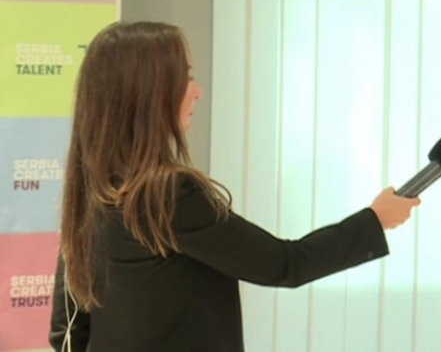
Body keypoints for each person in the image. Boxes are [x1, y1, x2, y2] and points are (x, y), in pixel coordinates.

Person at [48, 21, 420, 352]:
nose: (198, 92)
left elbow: (68, 331)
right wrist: (375, 220)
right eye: (187, 78)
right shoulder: (167, 197)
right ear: (150, 94)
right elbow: (285, 264)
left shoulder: (95, 192)